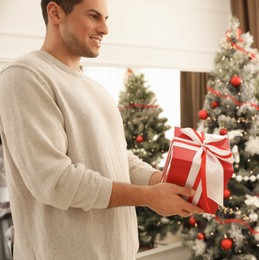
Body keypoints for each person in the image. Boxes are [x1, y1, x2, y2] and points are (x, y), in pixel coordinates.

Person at [0, 0, 203, 259]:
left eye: (106, 19)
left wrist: (159, 181)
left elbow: (120, 158)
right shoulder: (25, 75)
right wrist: (149, 196)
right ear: (55, 13)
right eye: (94, 16)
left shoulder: (96, 89)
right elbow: (55, 181)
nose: (105, 29)